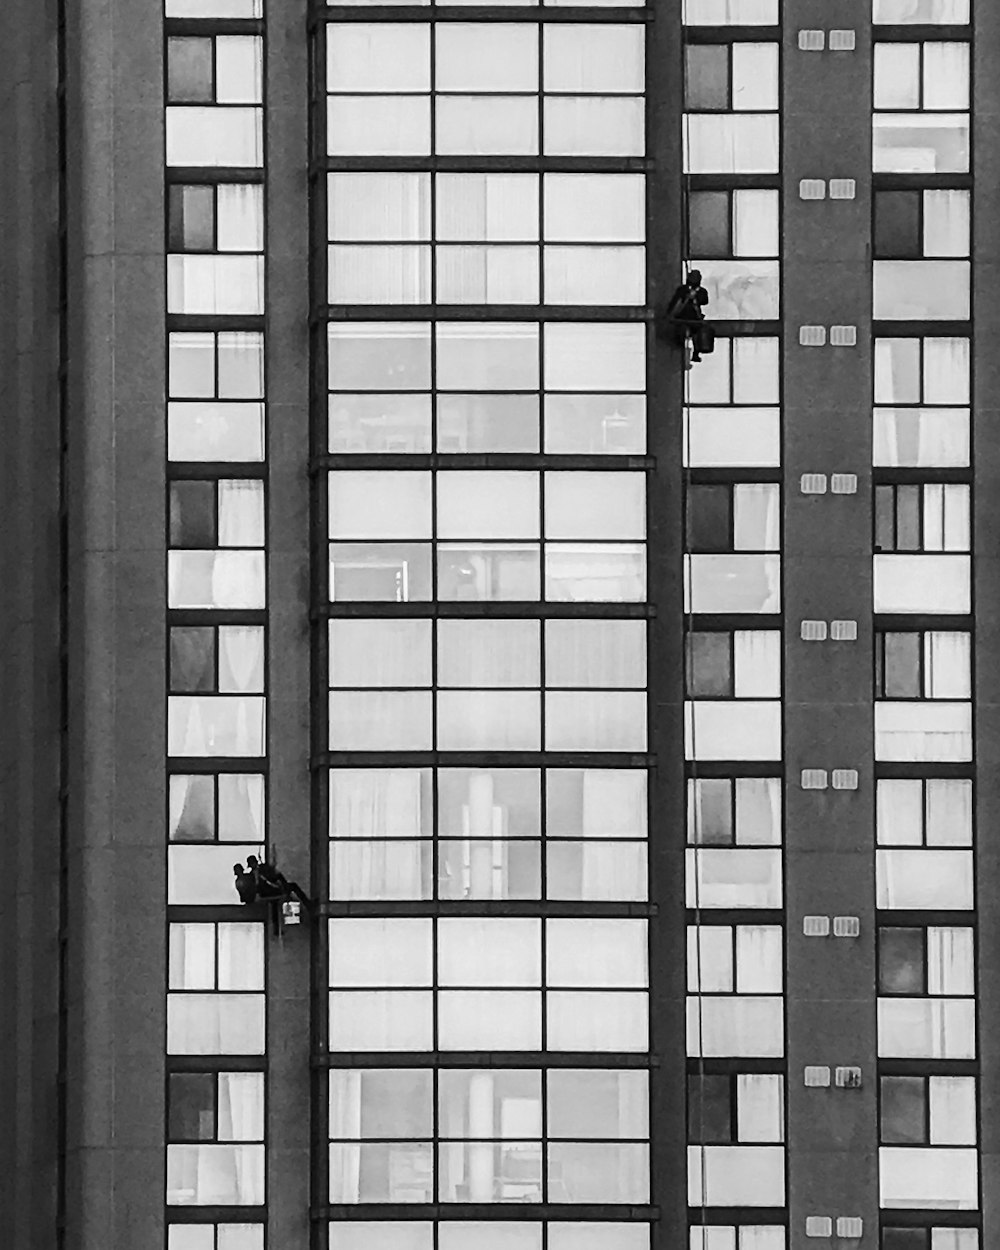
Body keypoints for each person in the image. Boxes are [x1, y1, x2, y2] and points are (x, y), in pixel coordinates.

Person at [247, 854, 311, 934]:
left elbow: (275, 876)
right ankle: (308, 904)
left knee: (275, 906)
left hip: (271, 891)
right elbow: (272, 878)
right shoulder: (256, 873)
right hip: (268, 892)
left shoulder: (262, 869)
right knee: (291, 888)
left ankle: (276, 929)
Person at [666, 270, 711, 362]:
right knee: (681, 333)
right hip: (683, 316)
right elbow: (674, 302)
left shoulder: (701, 291)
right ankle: (681, 350)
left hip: (694, 317)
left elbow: (705, 301)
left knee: (697, 333)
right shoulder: (683, 290)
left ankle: (695, 353)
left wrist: (696, 296)